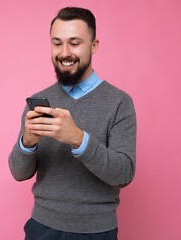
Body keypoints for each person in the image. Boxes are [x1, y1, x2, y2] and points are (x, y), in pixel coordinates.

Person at [9, 7, 136, 240]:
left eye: (74, 43)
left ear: (94, 45)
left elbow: (124, 174)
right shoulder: (37, 103)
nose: (65, 52)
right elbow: (18, 172)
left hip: (96, 232)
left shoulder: (119, 102)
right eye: (57, 43)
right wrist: (27, 142)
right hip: (42, 228)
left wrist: (78, 139)